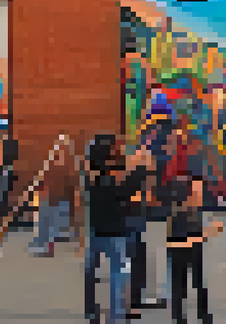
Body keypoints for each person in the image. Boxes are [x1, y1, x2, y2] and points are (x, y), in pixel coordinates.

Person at [83, 133, 152, 324]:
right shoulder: (106, 180)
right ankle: (115, 316)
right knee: (117, 273)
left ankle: (92, 310)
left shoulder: (93, 174)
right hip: (114, 231)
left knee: (92, 271)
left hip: (96, 229)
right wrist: (141, 168)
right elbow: (126, 190)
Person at [165, 177, 224, 324]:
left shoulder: (192, 211)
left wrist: (205, 233)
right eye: (197, 192)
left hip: (191, 247)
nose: (200, 196)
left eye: (200, 191)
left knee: (196, 282)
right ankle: (182, 316)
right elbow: (183, 238)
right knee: (181, 284)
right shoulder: (180, 212)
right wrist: (208, 232)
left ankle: (200, 314)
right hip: (182, 248)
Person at [123, 137, 163, 314]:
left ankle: (135, 298)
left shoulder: (134, 174)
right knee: (135, 259)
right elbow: (143, 197)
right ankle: (133, 301)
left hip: (134, 220)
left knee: (136, 259)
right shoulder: (138, 175)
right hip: (133, 220)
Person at [30, 137, 78, 257]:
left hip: (55, 198)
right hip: (49, 197)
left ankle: (46, 247)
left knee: (49, 225)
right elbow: (41, 180)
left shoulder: (66, 166)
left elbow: (70, 185)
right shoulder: (53, 164)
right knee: (45, 224)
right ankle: (44, 246)